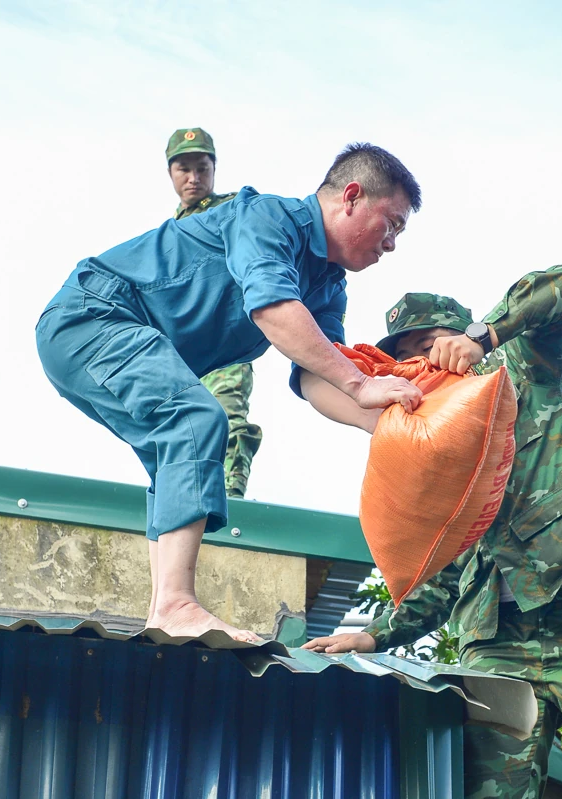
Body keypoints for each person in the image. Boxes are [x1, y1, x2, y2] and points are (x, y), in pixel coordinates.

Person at [304, 265, 562, 798]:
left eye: (432, 340)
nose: (424, 357)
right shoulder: (427, 434)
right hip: (497, 640)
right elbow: (445, 566)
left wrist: (482, 336)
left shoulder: (523, 367)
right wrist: (375, 635)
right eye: (410, 349)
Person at [36, 143, 423, 643]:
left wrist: (390, 425)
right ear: (351, 196)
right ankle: (178, 604)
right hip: (91, 317)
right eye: (391, 223)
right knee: (195, 420)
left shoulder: (327, 284)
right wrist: (364, 384)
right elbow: (273, 309)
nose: (392, 243)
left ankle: (163, 612)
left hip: (116, 339)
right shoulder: (267, 218)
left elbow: (318, 373)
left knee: (176, 448)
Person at [164, 127, 261, 499]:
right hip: (183, 347)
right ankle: (189, 500)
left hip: (226, 341)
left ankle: (232, 499)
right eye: (183, 169)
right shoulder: (170, 230)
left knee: (226, 418)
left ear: (214, 169)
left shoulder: (234, 209)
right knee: (185, 428)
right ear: (170, 173)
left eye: (202, 168)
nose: (194, 178)